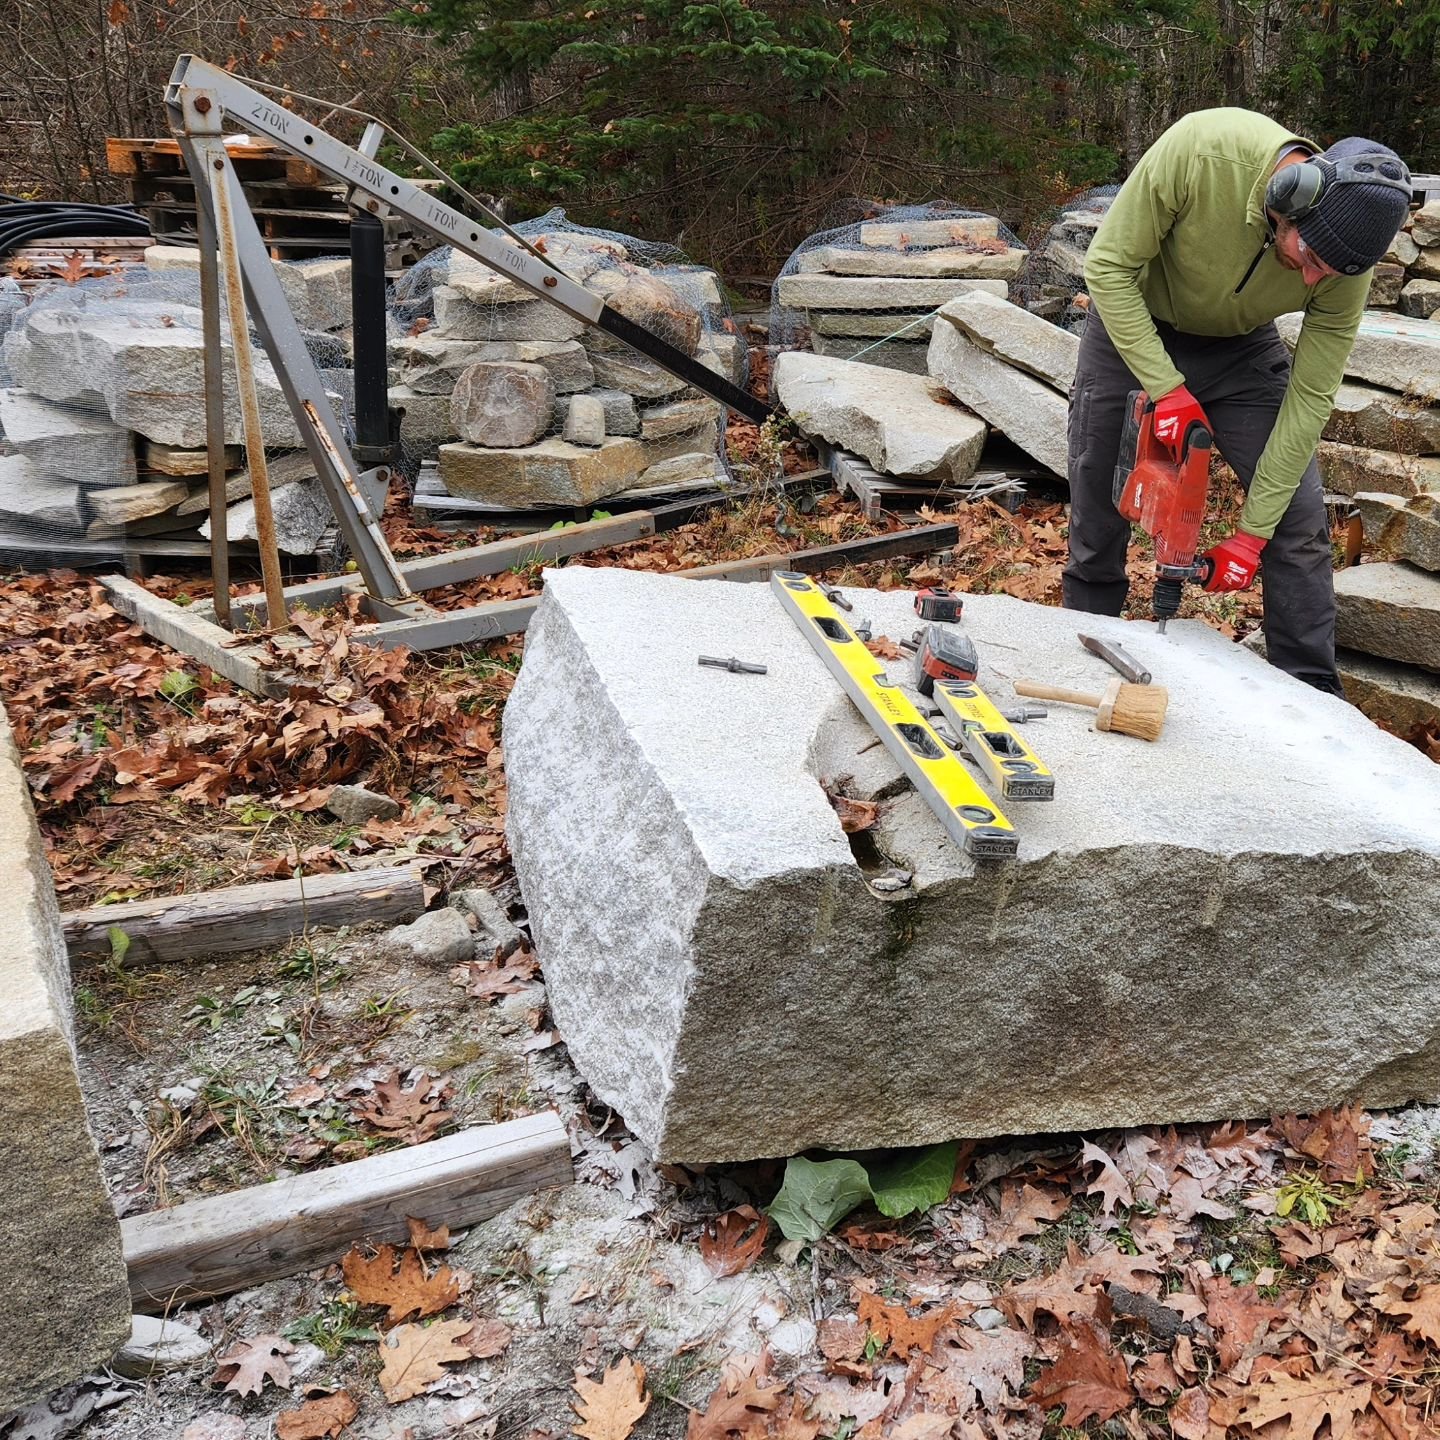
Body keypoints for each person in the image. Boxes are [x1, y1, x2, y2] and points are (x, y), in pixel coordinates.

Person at [1062, 107, 1411, 693]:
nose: (1311, 281)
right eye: (1310, 259)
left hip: (1242, 349)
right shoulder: (1203, 151)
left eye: (1328, 274)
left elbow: (1310, 398)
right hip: (1133, 323)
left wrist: (1251, 534)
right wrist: (1166, 388)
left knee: (1296, 520)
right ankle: (1083, 657)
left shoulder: (1344, 263)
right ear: (1291, 198)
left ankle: (1310, 693)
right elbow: (1109, 266)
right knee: (1100, 493)